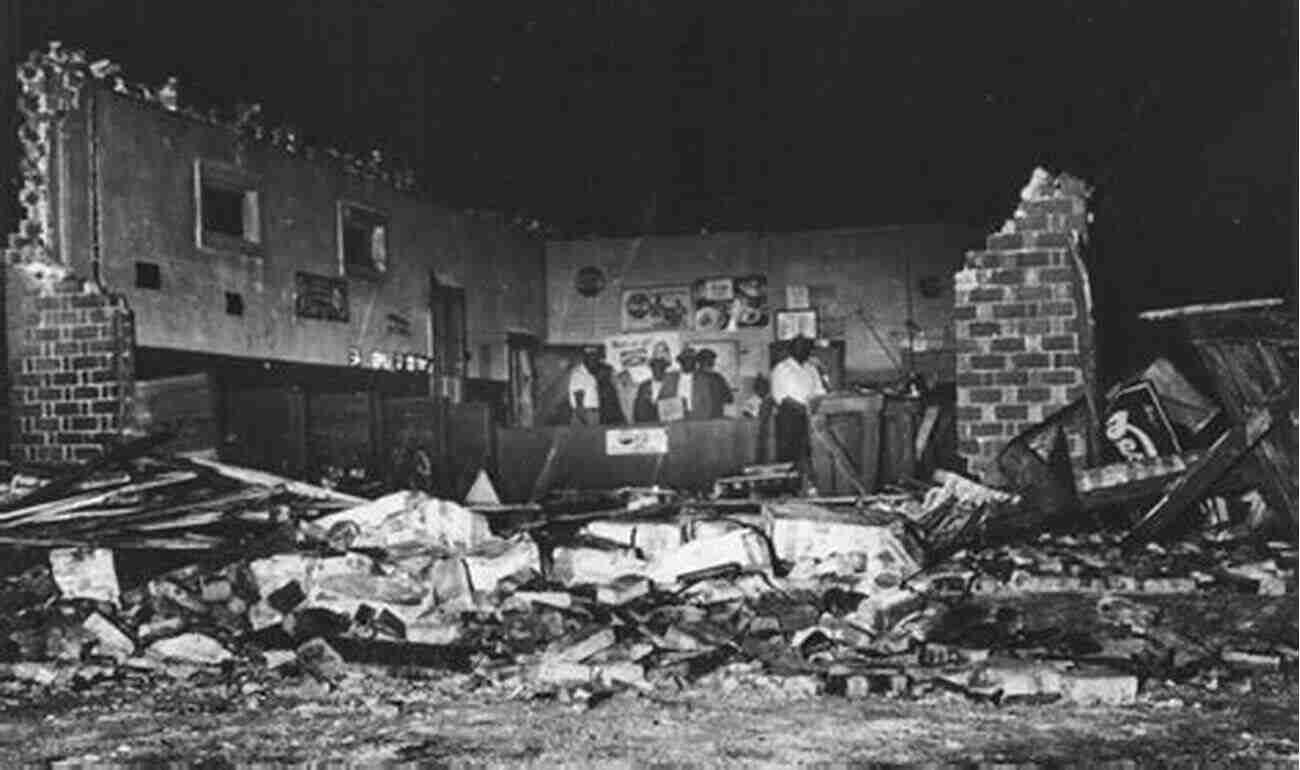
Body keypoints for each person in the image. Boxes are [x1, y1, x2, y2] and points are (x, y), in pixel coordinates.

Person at [770, 335, 826, 470]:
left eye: (807, 348)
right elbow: (781, 397)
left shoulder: (811, 368)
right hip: (789, 416)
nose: (804, 351)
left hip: (811, 414)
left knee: (809, 452)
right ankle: (790, 486)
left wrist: (814, 408)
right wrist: (804, 410)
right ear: (791, 350)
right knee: (790, 453)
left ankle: (809, 484)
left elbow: (820, 391)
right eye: (800, 348)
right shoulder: (782, 368)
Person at [632, 357, 677, 423]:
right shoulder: (643, 386)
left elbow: (674, 412)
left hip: (665, 424)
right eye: (655, 367)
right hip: (646, 424)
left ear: (665, 369)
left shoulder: (671, 386)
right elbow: (637, 410)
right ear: (651, 369)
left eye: (661, 368)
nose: (658, 370)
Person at [567, 346, 603, 425]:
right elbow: (578, 399)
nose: (595, 361)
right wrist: (584, 421)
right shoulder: (579, 373)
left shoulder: (590, 374)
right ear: (585, 358)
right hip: (586, 414)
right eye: (592, 358)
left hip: (592, 413)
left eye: (596, 358)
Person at [695, 348, 733, 419]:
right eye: (710, 360)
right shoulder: (718, 378)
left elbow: (729, 398)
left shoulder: (718, 378)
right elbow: (729, 398)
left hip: (709, 417)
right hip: (711, 417)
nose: (711, 362)